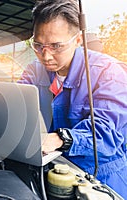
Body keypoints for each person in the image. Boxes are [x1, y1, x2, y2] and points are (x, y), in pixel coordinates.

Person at [17, 0, 127, 198]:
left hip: (102, 177)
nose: (46, 55)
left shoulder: (108, 73)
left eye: (56, 46)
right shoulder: (35, 69)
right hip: (55, 169)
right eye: (38, 45)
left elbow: (106, 133)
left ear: (78, 40)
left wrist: (60, 138)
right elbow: (15, 102)